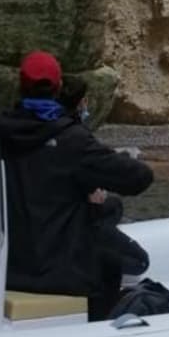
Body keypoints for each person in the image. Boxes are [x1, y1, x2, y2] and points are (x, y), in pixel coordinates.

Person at [2, 52, 153, 319]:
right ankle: (97, 334)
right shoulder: (72, 141)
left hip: (8, 269)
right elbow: (139, 177)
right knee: (113, 263)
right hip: (61, 274)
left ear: (20, 86)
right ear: (57, 87)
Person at [60, 76, 150, 281]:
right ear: (80, 102)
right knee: (140, 262)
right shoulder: (77, 138)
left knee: (114, 205)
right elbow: (138, 177)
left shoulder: (55, 135)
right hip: (75, 220)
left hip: (62, 212)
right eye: (85, 101)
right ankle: (92, 261)